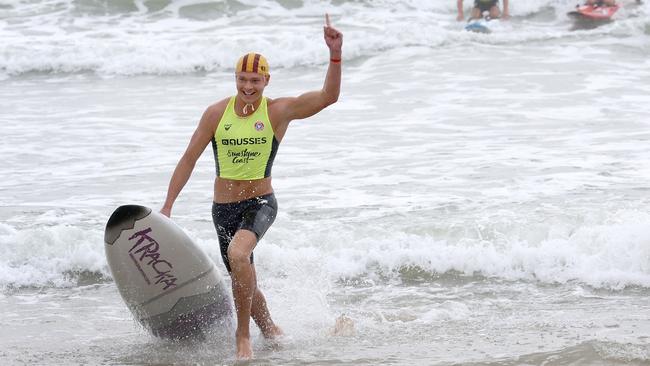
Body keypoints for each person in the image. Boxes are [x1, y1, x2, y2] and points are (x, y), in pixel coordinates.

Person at [160, 14, 342, 360]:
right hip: (221, 209)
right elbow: (188, 159)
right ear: (235, 78)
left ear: (266, 80)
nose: (248, 86)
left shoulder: (277, 112)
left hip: (260, 202)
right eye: (242, 79)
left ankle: (242, 336)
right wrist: (168, 206)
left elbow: (328, 96)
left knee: (239, 256)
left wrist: (335, 54)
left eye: (255, 80)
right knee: (243, 273)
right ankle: (272, 331)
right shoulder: (216, 114)